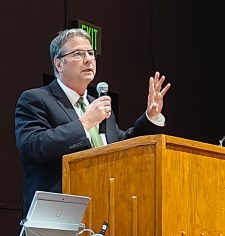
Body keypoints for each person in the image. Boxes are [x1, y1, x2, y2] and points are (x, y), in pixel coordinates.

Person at [15, 28, 171, 216]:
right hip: (56, 214)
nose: (88, 59)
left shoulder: (97, 106)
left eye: (90, 53)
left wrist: (150, 116)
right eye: (78, 54)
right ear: (59, 64)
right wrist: (85, 123)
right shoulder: (36, 99)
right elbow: (32, 146)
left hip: (104, 210)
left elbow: (122, 144)